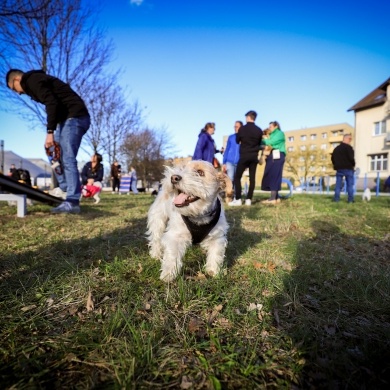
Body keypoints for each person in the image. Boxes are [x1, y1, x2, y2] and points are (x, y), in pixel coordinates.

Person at [6, 69, 90, 214]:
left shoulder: (32, 80)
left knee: (67, 158)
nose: (18, 93)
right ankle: (64, 188)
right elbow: (55, 103)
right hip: (66, 120)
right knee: (52, 152)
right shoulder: (36, 81)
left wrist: (50, 131)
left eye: (14, 89)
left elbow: (51, 102)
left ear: (17, 79)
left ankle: (73, 201)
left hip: (76, 117)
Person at [229, 111, 263, 206]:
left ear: (248, 117)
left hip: (244, 156)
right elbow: (260, 143)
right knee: (252, 179)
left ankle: (238, 199)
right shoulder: (259, 130)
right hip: (253, 156)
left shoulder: (242, 129)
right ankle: (249, 199)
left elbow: (237, 140)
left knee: (237, 177)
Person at [260, 121, 287, 205]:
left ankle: (272, 199)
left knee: (274, 175)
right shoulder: (271, 134)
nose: (269, 128)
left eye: (271, 126)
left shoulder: (279, 133)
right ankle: (276, 197)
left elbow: (270, 142)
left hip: (277, 155)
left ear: (276, 126)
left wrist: (262, 139)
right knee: (273, 175)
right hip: (272, 155)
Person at [331, 134, 355, 203]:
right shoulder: (349, 148)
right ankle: (350, 200)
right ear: (346, 139)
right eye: (350, 139)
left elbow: (332, 158)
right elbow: (351, 158)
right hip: (348, 168)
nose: (350, 140)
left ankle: (336, 199)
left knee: (338, 185)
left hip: (339, 169)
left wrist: (336, 165)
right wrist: (353, 165)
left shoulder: (336, 149)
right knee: (350, 185)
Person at [222, 121, 242, 185]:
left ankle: (236, 194)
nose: (235, 128)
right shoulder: (231, 137)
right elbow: (227, 149)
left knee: (237, 179)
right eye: (234, 126)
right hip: (229, 161)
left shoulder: (244, 138)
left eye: (237, 126)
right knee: (230, 179)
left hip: (239, 162)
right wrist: (224, 162)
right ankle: (229, 194)